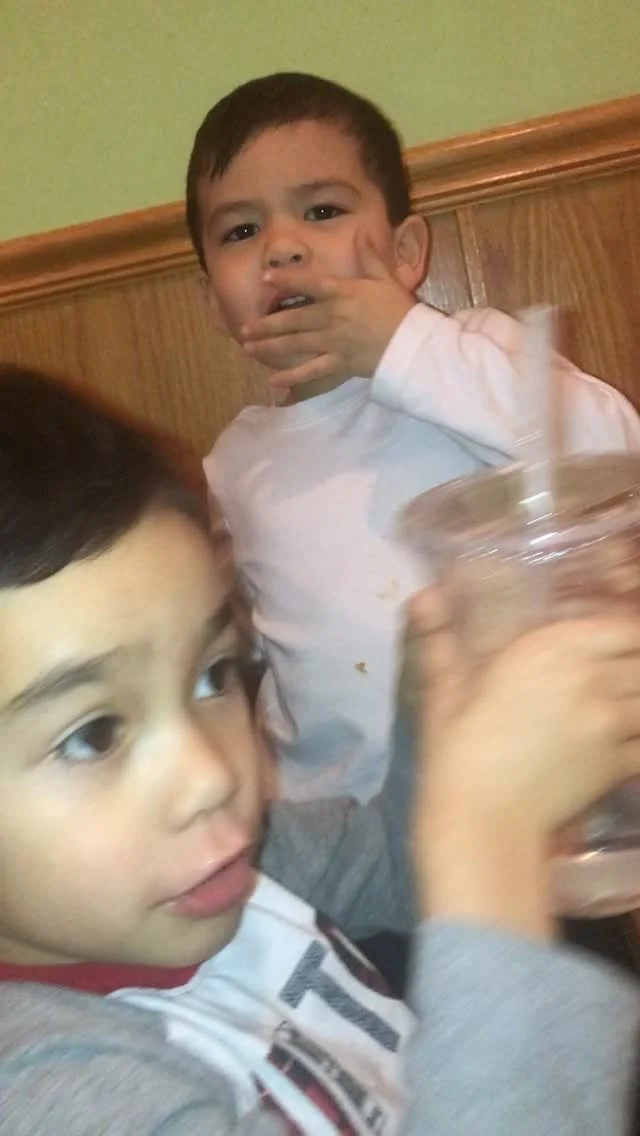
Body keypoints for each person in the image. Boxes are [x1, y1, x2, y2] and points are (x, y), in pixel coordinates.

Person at [0, 363, 640, 1135]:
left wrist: (436, 704)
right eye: (94, 734)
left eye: (213, 675)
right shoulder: (48, 1092)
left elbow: (403, 872)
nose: (210, 776)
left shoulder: (246, 866)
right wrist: (491, 830)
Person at [186, 71, 640, 806]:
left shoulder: (474, 356)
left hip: (542, 801)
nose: (283, 247)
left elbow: (616, 456)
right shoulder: (235, 468)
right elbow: (241, 655)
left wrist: (403, 344)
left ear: (406, 253)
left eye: (323, 210)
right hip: (358, 836)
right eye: (241, 231)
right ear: (213, 301)